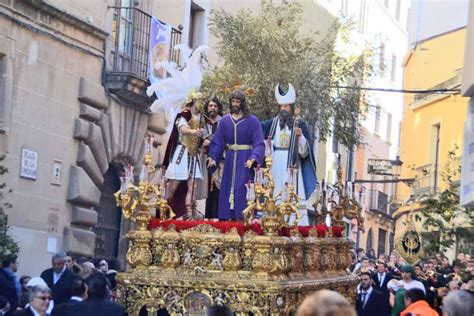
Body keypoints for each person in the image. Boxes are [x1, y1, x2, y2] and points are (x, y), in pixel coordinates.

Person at [208, 90, 265, 219]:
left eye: (237, 102)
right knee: (227, 187)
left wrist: (254, 157)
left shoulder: (252, 121)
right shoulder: (225, 121)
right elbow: (217, 142)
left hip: (245, 160)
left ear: (242, 103)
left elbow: (259, 143)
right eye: (233, 101)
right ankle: (226, 217)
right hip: (230, 159)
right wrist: (213, 157)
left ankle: (243, 217)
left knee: (242, 187)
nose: (235, 104)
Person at [261, 83, 316, 206]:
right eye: (281, 106)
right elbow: (259, 134)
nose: (283, 109)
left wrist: (300, 136)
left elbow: (304, 152)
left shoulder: (299, 123)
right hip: (275, 163)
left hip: (292, 165)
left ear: (291, 107)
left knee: (292, 194)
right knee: (274, 194)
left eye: (286, 106)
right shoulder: (271, 124)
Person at [163, 91, 206, 219]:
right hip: (182, 153)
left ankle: (189, 214)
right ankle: (165, 208)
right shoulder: (185, 115)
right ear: (193, 101)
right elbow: (182, 129)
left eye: (202, 101)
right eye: (199, 100)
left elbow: (204, 136)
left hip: (194, 155)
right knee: (173, 184)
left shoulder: (202, 118)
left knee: (193, 185)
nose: (201, 103)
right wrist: (194, 131)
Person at [200, 97, 224, 219]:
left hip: (220, 160)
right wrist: (203, 142)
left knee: (217, 188)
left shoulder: (223, 121)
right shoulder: (202, 121)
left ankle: (217, 216)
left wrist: (211, 141)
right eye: (210, 105)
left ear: (218, 108)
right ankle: (205, 216)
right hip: (204, 159)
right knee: (205, 189)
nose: (213, 108)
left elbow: (225, 138)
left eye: (215, 106)